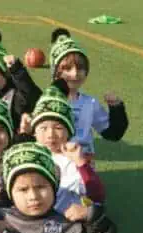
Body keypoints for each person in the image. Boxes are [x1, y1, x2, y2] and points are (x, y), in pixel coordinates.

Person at [49, 28, 128, 157]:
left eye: (80, 68)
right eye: (67, 68)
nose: (74, 74)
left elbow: (113, 133)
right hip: (55, 166)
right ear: (55, 72)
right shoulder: (46, 102)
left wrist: (116, 108)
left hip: (83, 165)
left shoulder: (90, 103)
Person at [25, 80, 105, 204]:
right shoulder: (26, 155)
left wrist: (81, 164)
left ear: (69, 132)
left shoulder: (74, 160)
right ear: (34, 131)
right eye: (43, 128)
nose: (50, 134)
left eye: (58, 128)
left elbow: (97, 196)